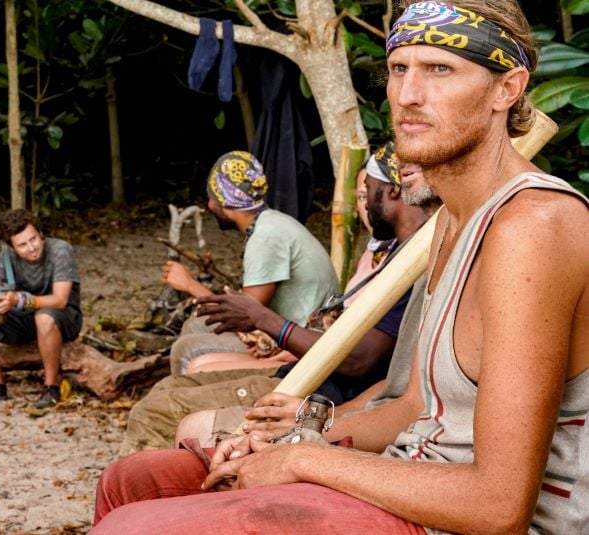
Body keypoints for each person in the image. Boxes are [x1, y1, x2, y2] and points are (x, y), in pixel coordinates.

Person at [92, 1, 589, 532]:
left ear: (507, 88)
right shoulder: (449, 220)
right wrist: (292, 437)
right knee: (132, 480)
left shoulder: (535, 226)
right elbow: (416, 407)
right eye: (399, 68)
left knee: (132, 527)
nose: (408, 94)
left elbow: (499, 505)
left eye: (440, 69)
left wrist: (305, 460)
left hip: (470, 517)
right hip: (413, 470)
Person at [116, 144, 435, 454]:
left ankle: (160, 486)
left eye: (367, 191)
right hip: (306, 368)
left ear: (394, 190)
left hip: (319, 388)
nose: (362, 205)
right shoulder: (396, 253)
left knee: (157, 408)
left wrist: (258, 318)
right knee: (168, 388)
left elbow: (357, 361)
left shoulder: (415, 263)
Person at [164, 150, 339, 374]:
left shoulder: (265, 237)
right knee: (196, 324)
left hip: (301, 343)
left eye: (212, 197)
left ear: (225, 201)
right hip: (296, 330)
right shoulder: (272, 223)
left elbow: (246, 313)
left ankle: (184, 394)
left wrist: (189, 284)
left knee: (185, 349)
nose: (209, 205)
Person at [0, 209, 82, 408]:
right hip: (24, 319)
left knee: (44, 317)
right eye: (22, 245)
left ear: (40, 233)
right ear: (12, 246)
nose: (31, 248)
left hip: (62, 318)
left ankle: (51, 387)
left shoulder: (60, 250)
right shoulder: (7, 255)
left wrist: (20, 300)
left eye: (33, 239)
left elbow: (60, 300)